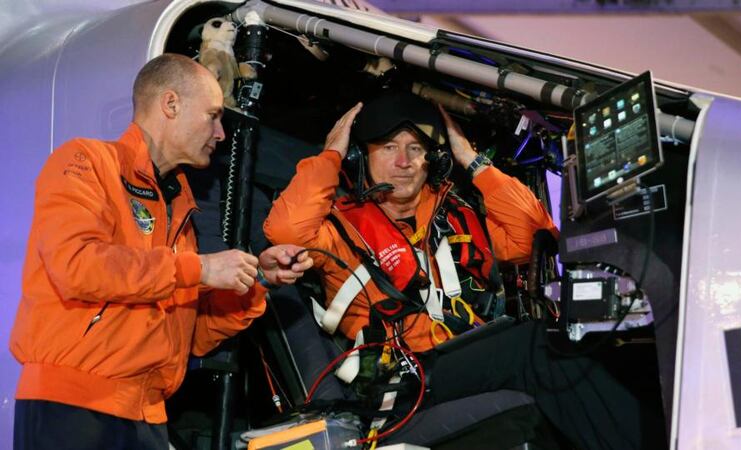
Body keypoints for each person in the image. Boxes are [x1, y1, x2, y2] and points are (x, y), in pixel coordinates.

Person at [264, 92, 659, 449]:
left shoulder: (456, 214)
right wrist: (331, 155)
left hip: (466, 357)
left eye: (416, 148)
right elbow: (285, 232)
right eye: (388, 148)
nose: (403, 163)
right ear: (360, 157)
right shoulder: (339, 228)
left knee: (606, 352)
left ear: (434, 159)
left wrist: (470, 158)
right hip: (400, 381)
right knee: (534, 346)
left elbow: (533, 237)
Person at [9, 53, 313, 449]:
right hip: (73, 408)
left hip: (148, 417)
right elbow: (77, 266)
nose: (221, 133)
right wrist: (199, 269)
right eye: (213, 116)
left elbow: (191, 336)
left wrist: (257, 280)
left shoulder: (178, 203)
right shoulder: (86, 160)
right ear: (171, 104)